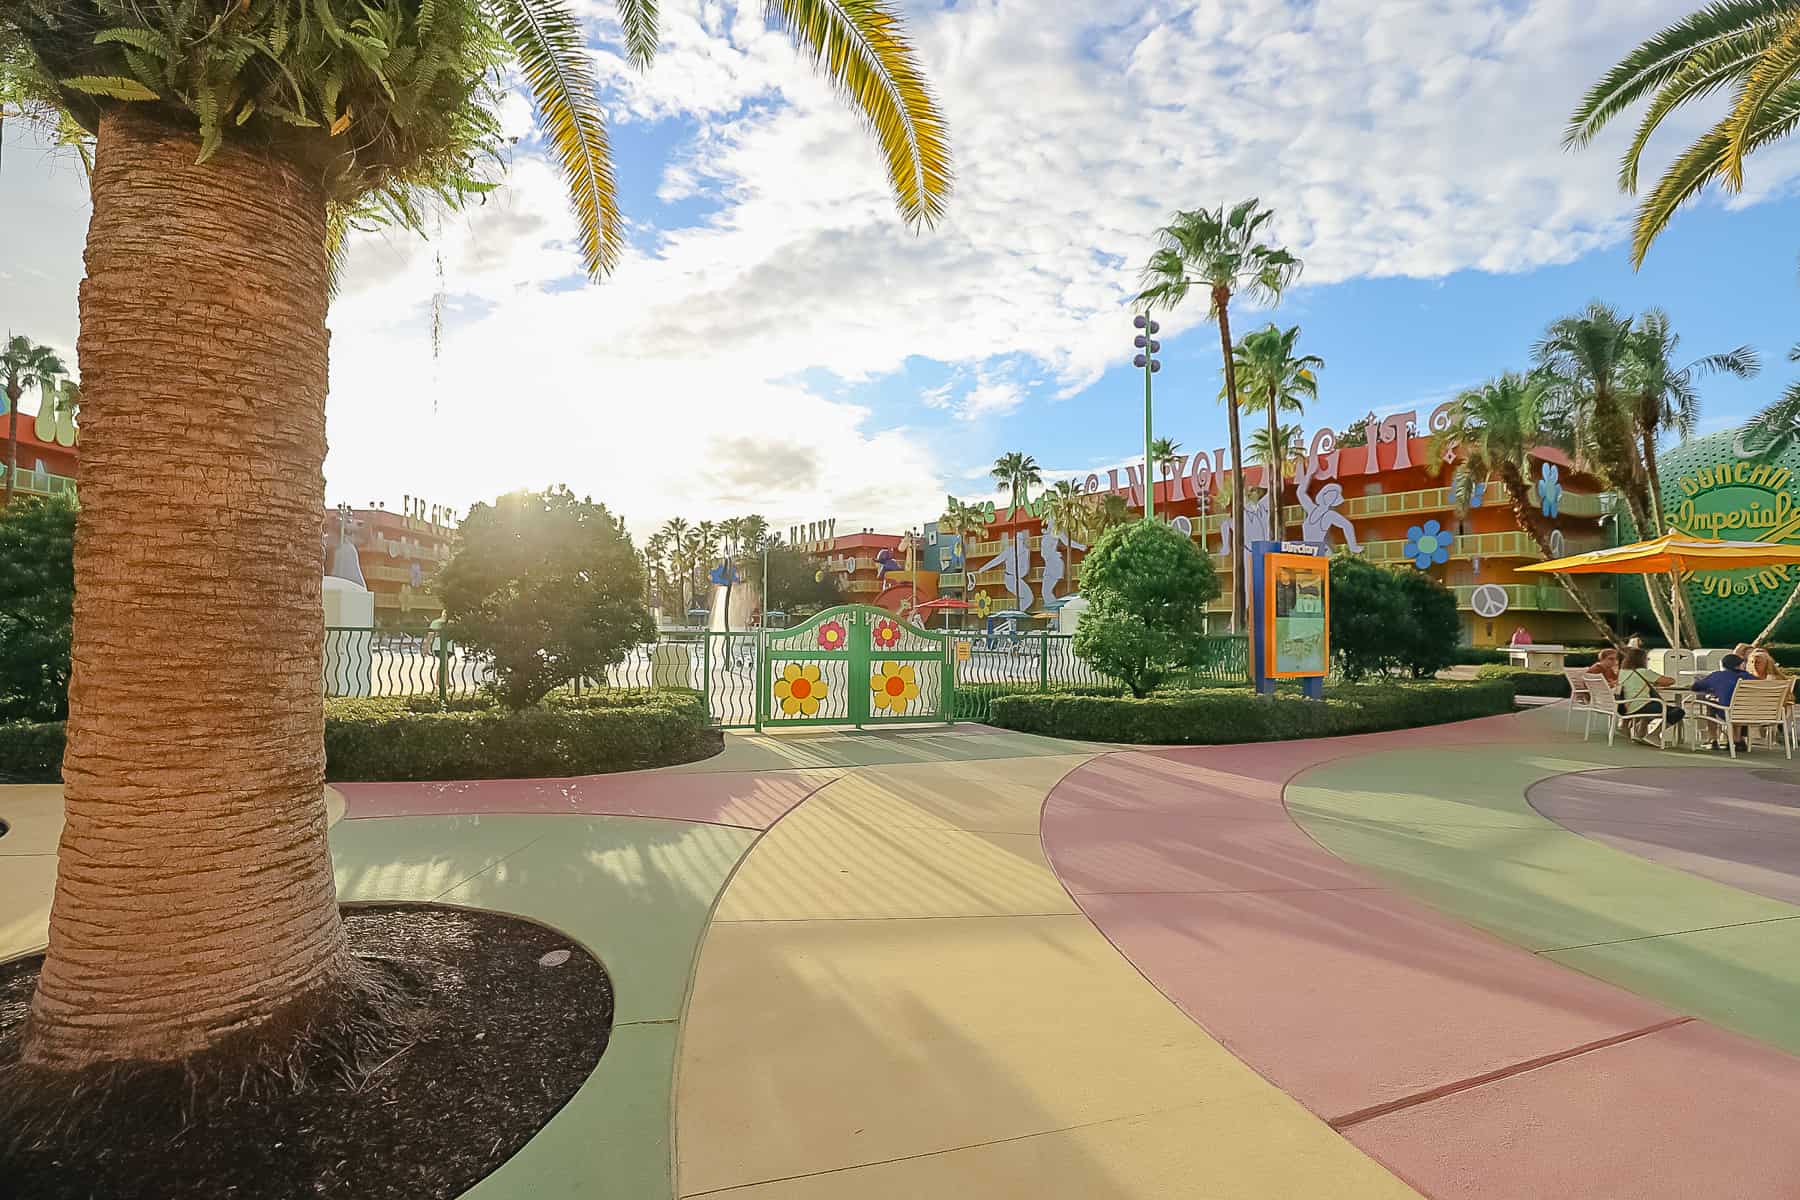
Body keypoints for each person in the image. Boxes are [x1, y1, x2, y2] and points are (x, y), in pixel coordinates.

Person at [1616, 646, 1682, 746]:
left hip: (1624, 706)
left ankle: (1641, 734)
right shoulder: (1643, 672)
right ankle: (1654, 734)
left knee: (1652, 705)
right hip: (1640, 706)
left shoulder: (1621, 672)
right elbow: (1670, 681)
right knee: (1678, 711)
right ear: (1641, 660)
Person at [1692, 653, 1756, 753]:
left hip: (1727, 712)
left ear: (1723, 665)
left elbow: (1695, 687)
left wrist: (1711, 689)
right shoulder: (1749, 677)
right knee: (1737, 705)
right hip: (1750, 712)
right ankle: (1737, 740)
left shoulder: (1718, 675)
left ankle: (1713, 740)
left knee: (1711, 704)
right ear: (1739, 665)